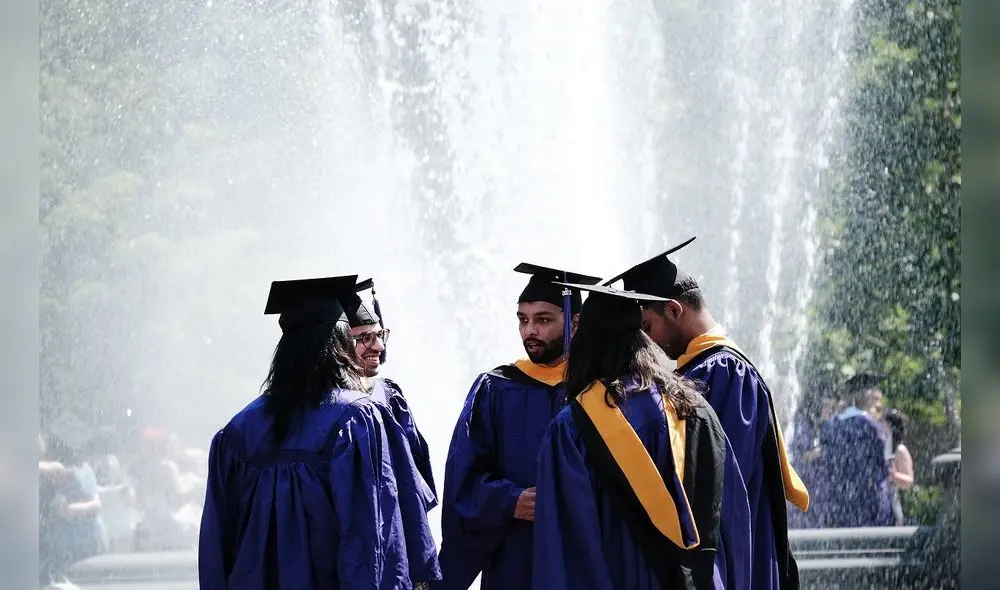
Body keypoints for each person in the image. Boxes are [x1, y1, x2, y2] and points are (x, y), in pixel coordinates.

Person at [198, 275, 440, 590]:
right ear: (338, 346)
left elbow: (216, 545)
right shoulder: (356, 420)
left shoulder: (238, 432)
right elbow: (370, 539)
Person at [604, 236, 809, 590]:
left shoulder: (724, 372)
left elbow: (722, 486)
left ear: (673, 309)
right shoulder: (704, 369)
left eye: (648, 328)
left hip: (730, 558)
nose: (647, 343)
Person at [532, 282, 752, 590]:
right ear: (643, 340)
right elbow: (731, 516)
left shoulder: (572, 428)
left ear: (585, 344)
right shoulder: (694, 409)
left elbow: (567, 543)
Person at [436, 264, 601, 590]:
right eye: (523, 320)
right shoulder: (496, 389)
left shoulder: (599, 391)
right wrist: (510, 500)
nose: (530, 331)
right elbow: (463, 483)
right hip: (517, 558)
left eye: (543, 320)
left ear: (575, 323)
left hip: (583, 556)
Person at [345, 277, 436, 508]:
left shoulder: (387, 397)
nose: (379, 346)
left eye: (380, 335)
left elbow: (416, 483)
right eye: (366, 338)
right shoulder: (312, 412)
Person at [816, 373, 894, 528]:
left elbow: (825, 459)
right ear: (868, 395)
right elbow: (882, 466)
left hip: (838, 500)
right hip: (870, 501)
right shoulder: (873, 427)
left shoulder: (831, 425)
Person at [883, 408, 914, 526]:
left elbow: (909, 481)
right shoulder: (877, 445)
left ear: (889, 425)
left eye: (881, 422)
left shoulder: (900, 450)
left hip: (891, 502)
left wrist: (894, 475)